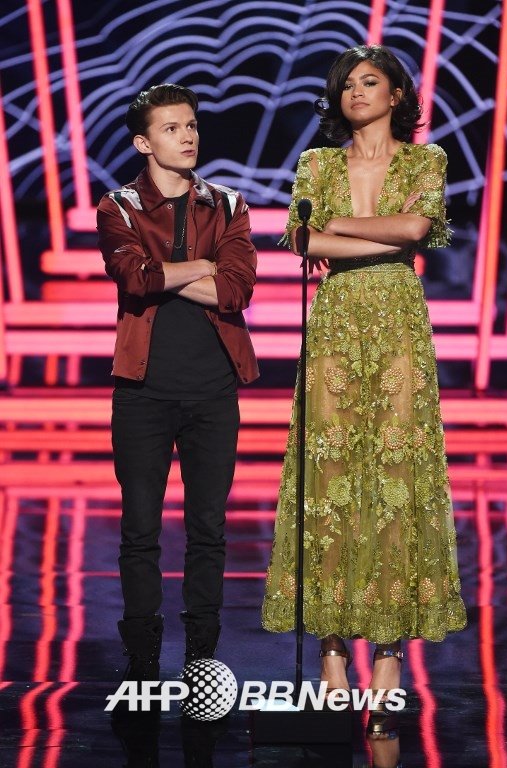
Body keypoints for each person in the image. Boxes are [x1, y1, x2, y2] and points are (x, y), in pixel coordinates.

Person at [262, 45, 467, 737]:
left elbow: (414, 229)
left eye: (369, 81)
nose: (355, 92)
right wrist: (336, 235)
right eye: (346, 84)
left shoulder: (425, 161)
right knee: (329, 477)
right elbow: (299, 238)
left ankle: (386, 651)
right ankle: (329, 647)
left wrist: (337, 228)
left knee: (395, 478)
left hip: (398, 324)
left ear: (397, 94)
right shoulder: (317, 164)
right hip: (335, 323)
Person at [97, 83, 258, 680]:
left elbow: (235, 292)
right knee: (140, 528)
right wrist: (200, 268)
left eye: (191, 125)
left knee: (208, 528)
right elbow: (134, 279)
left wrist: (167, 272)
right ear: (143, 143)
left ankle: (202, 653)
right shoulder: (118, 207)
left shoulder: (229, 206)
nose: (188, 136)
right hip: (143, 391)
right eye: (171, 128)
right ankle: (142, 656)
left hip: (213, 389)